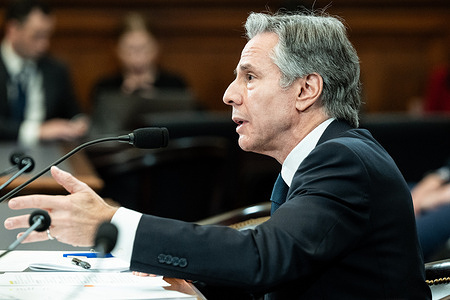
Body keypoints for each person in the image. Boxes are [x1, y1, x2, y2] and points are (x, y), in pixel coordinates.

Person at [4, 11, 431, 299]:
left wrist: (112, 223)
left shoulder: (345, 161)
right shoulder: (318, 157)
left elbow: (265, 257)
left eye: (249, 77)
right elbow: (293, 264)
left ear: (306, 90)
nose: (229, 95)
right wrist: (191, 276)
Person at [0, 0, 88, 147]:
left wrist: (79, 123)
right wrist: (37, 131)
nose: (44, 44)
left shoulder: (55, 69)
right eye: (37, 36)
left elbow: (74, 112)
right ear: (13, 29)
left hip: (50, 154)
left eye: (48, 35)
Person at [91, 12, 187, 100]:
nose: (137, 58)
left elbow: (194, 116)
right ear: (117, 50)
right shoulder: (105, 88)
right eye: (130, 49)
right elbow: (98, 117)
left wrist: (157, 98)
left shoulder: (175, 85)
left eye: (144, 48)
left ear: (156, 47)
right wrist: (123, 95)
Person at [412, 157, 450, 261]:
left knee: (406, 234)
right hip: (442, 189)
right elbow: (444, 172)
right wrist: (416, 198)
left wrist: (436, 198)